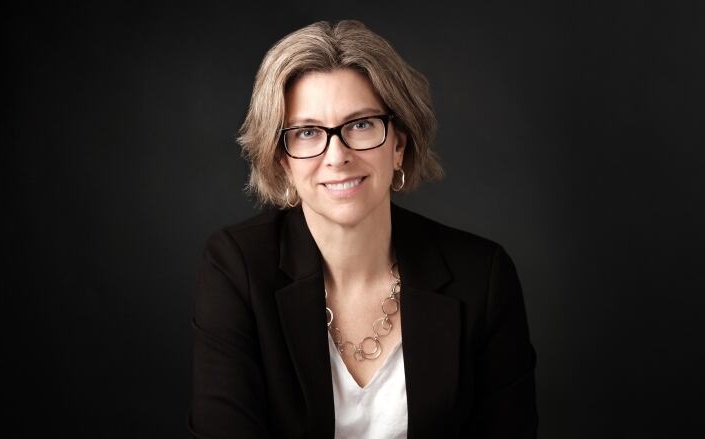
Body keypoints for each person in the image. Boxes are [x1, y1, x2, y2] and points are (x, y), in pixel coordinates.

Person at [188, 20, 538, 439]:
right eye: (307, 132)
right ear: (282, 159)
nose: (337, 155)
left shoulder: (482, 276)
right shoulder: (237, 268)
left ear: (399, 145)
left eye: (361, 125)